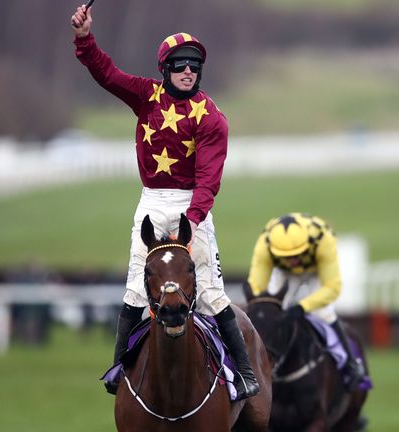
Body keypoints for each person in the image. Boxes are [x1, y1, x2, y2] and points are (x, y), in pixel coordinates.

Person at [70, 4, 259, 399]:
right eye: (179, 65)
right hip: (152, 204)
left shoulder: (211, 117)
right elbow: (106, 74)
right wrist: (85, 38)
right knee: (135, 292)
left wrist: (192, 219)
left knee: (209, 292)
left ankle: (244, 374)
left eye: (193, 66)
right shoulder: (146, 95)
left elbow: (209, 179)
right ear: (165, 69)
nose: (187, 71)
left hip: (194, 206)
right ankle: (119, 369)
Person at [247, 213, 363, 390]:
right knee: (275, 311)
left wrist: (302, 307)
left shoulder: (323, 240)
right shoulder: (265, 244)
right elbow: (258, 287)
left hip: (316, 270)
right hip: (284, 273)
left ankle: (350, 364)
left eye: (296, 254)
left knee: (323, 312)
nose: (292, 260)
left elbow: (332, 288)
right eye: (286, 256)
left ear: (307, 245)